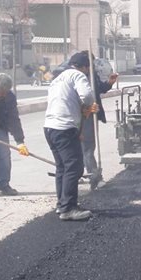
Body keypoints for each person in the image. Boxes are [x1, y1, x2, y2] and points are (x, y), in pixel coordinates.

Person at [44, 51, 97, 221]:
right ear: (85, 66)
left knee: (62, 168)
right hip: (64, 127)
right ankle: (68, 208)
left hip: (50, 127)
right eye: (90, 67)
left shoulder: (58, 78)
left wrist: (82, 113)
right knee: (74, 167)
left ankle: (62, 205)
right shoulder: (78, 75)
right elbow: (88, 96)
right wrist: (89, 105)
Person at [81, 59, 119, 190]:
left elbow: (98, 90)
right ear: (85, 66)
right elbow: (77, 99)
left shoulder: (92, 74)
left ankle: (81, 174)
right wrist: (85, 109)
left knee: (86, 147)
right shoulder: (78, 78)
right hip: (81, 117)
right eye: (91, 63)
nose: (94, 66)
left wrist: (109, 83)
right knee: (87, 147)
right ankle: (95, 178)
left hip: (91, 115)